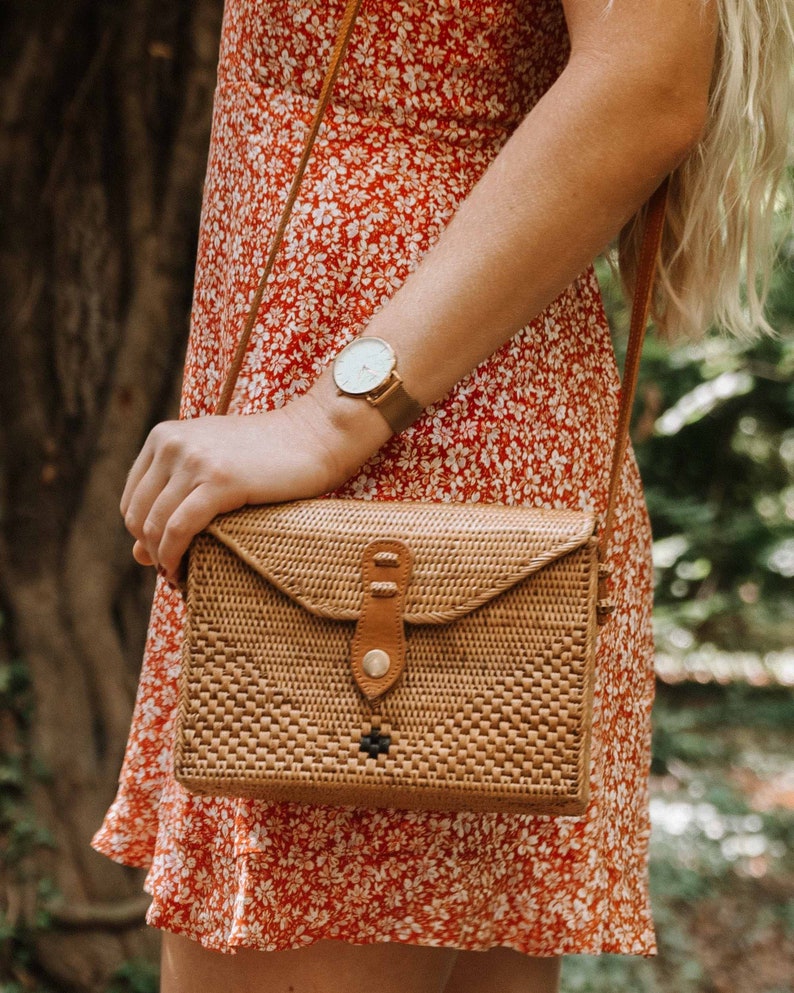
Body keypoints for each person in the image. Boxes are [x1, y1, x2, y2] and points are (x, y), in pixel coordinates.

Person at [92, 1, 793, 990]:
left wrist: (334, 414)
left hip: (393, 453)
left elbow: (645, 84)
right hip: (409, 429)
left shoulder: (347, 421)